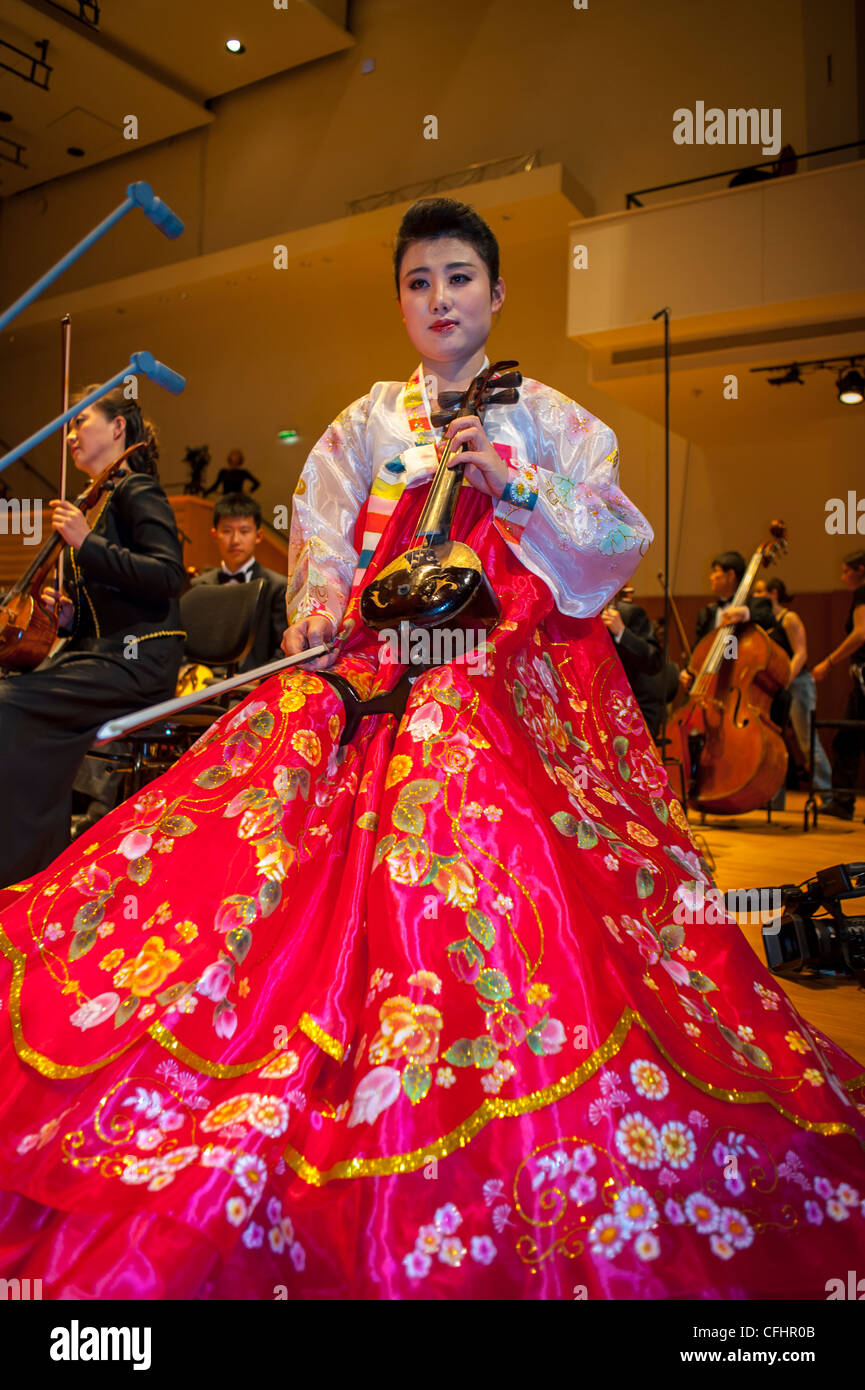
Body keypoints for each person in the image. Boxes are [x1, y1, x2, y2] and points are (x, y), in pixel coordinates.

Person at [0, 198, 863, 1302]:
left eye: (459, 278)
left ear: (494, 294)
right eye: (418, 282)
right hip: (378, 653)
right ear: (401, 301)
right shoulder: (366, 421)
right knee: (277, 733)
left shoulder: (546, 414)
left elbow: (616, 543)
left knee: (455, 750)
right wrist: (315, 610)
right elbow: (316, 538)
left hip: (506, 665)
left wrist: (517, 483)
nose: (439, 298)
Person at [0, 387, 185, 887]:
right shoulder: (97, 501)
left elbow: (168, 576)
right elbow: (110, 606)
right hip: (99, 656)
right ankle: (36, 860)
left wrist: (86, 542)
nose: (70, 436)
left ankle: (22, 870)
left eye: (81, 421)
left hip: (140, 660)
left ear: (119, 428)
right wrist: (69, 619)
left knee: (8, 702)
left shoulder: (137, 489)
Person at [751, 576, 832, 801]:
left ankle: (827, 795)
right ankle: (774, 797)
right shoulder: (761, 622)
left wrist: (785, 677)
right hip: (774, 686)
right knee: (775, 742)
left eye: (759, 592)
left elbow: (801, 652)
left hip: (797, 683)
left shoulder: (789, 618)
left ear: (774, 593)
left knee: (806, 740)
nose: (755, 597)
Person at [191, 493, 288, 672]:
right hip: (204, 684)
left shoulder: (278, 587)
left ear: (258, 535)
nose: (235, 540)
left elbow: (283, 649)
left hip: (253, 686)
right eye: (227, 531)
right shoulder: (199, 586)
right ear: (214, 535)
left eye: (244, 531)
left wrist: (256, 680)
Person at [814, 551, 865, 820]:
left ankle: (843, 802)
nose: (843, 576)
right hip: (859, 678)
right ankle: (842, 801)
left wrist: (828, 662)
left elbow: (861, 633)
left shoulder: (863, 593)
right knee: (849, 737)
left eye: (847, 570)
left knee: (847, 738)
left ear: (861, 570)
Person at [600, 585, 664, 738]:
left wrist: (622, 632)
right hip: (598, 710)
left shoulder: (629, 613)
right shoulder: (576, 615)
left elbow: (654, 660)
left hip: (633, 710)